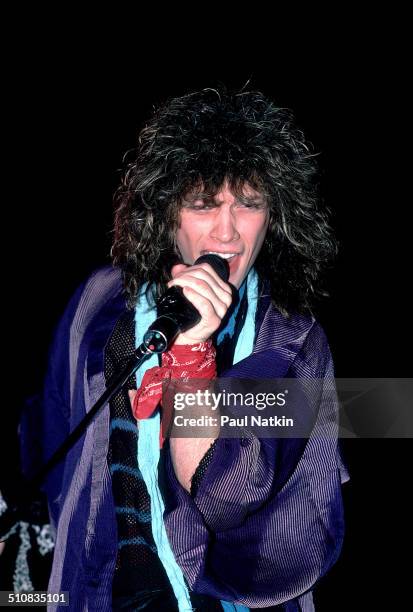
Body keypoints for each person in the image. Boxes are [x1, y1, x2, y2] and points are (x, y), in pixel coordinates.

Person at [20, 87, 349, 611]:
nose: (228, 234)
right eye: (203, 205)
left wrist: (192, 361)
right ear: (166, 210)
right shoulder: (98, 302)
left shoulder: (291, 342)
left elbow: (231, 504)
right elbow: (50, 434)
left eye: (249, 204)